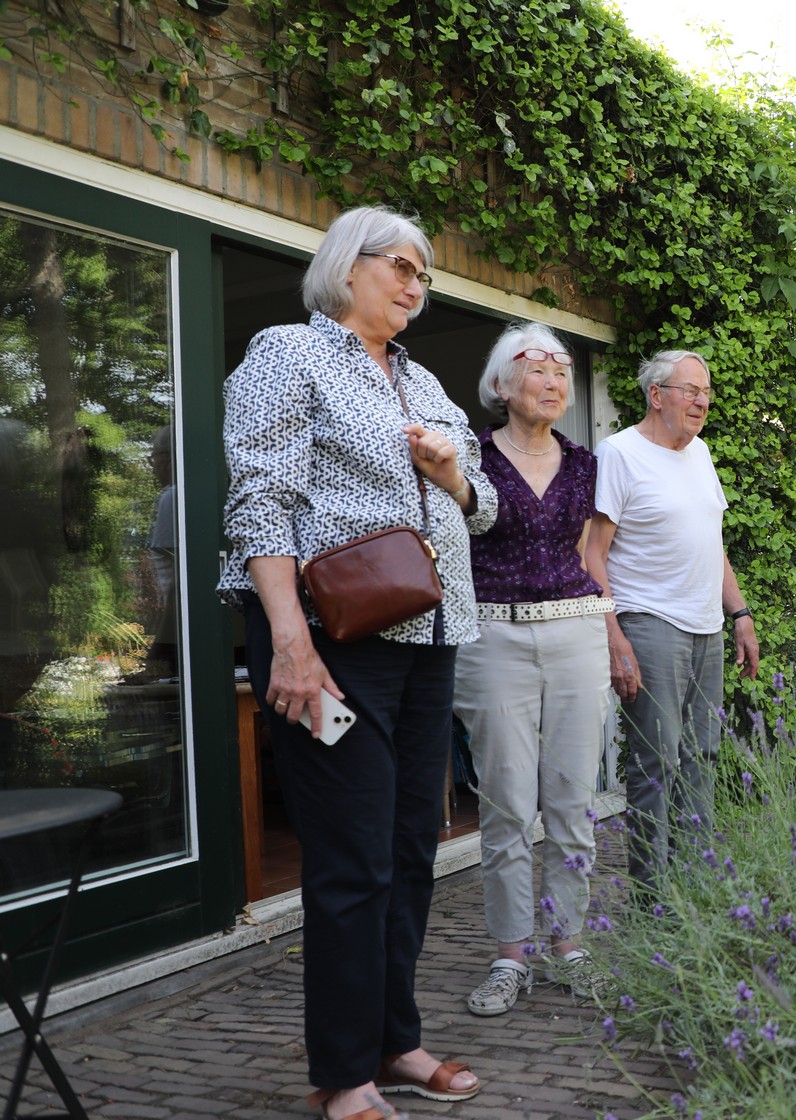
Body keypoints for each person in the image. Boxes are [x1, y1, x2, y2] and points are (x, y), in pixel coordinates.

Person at [219, 205, 494, 1120]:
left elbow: (485, 507)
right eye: (401, 266)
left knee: (412, 849)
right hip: (333, 640)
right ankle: (344, 1075)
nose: (416, 285)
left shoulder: (425, 381)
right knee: (352, 859)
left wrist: (453, 475)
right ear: (347, 265)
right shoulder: (288, 353)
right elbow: (260, 501)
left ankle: (395, 1042)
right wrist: (288, 642)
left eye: (424, 274)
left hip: (430, 638)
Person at [453, 322, 614, 1015]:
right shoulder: (468, 458)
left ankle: (568, 944)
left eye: (561, 372)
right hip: (494, 637)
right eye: (536, 369)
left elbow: (593, 555)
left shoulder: (586, 465)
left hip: (577, 633)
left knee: (574, 801)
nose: (552, 382)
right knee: (508, 805)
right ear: (501, 384)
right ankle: (510, 955)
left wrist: (614, 632)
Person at [582, 350, 760, 890]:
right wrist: (613, 635)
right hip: (650, 622)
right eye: (690, 390)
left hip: (706, 626)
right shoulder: (619, 453)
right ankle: (653, 899)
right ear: (656, 395)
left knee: (702, 755)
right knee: (655, 761)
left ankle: (695, 888)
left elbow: (712, 542)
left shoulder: (699, 453)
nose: (701, 401)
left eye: (705, 392)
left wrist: (740, 613)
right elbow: (593, 554)